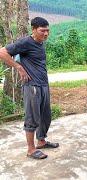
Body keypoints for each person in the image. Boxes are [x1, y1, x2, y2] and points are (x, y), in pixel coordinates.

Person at [0, 17, 59, 160]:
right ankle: (31, 149)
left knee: (46, 116)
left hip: (43, 85)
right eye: (42, 31)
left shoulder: (40, 43)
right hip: (32, 86)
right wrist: (18, 67)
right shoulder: (26, 42)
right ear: (33, 29)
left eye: (47, 31)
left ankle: (41, 141)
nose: (45, 34)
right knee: (32, 117)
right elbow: (2, 52)